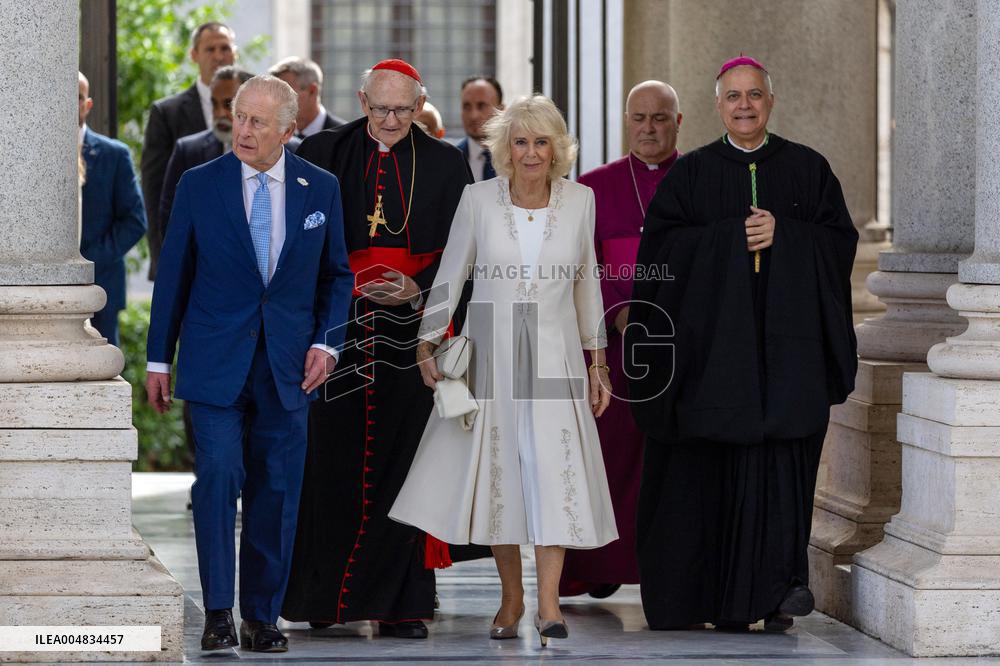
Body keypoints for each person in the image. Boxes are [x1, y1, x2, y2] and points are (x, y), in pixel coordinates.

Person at [626, 56, 858, 633]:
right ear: (717, 106)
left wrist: (788, 235)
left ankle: (778, 593)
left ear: (771, 101)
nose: (745, 105)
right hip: (712, 363)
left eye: (754, 95)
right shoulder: (691, 174)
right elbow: (660, 255)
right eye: (733, 96)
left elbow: (839, 244)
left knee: (781, 474)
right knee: (710, 480)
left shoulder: (808, 169)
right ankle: (711, 598)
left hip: (787, 359)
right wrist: (730, 240)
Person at [389, 94, 618, 647]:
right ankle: (512, 597)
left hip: (557, 358)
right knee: (501, 476)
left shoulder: (581, 201)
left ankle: (549, 603)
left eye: (541, 142)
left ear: (557, 149)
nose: (531, 153)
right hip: (490, 356)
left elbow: (587, 283)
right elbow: (451, 275)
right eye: (520, 142)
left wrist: (598, 361)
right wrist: (426, 340)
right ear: (504, 149)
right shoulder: (478, 199)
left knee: (552, 474)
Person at [145, 75, 353, 653]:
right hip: (214, 363)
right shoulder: (198, 184)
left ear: (289, 130)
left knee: (277, 491)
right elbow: (173, 275)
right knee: (216, 477)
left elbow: (337, 276)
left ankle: (262, 617)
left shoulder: (321, 188)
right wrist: (159, 358)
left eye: (258, 121)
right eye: (239, 116)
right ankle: (218, 613)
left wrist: (328, 344)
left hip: (289, 367)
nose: (244, 129)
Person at [282, 59, 473, 640]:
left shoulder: (445, 163)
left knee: (405, 462)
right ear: (362, 100)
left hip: (411, 332)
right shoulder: (322, 152)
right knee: (329, 461)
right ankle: (323, 597)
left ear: (421, 106)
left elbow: (466, 253)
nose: (391, 120)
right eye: (380, 108)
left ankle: (399, 604)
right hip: (337, 327)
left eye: (404, 110)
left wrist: (420, 289)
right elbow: (297, 241)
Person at [559, 80, 682, 600]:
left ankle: (666, 568)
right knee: (610, 458)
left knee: (673, 466)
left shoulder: (697, 180)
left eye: (660, 117)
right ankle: (600, 566)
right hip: (613, 349)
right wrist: (619, 313)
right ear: (626, 122)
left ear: (678, 122)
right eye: (639, 118)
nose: (649, 128)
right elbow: (579, 267)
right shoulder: (592, 188)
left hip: (682, 349)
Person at [141, 22, 236, 279]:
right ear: (194, 55)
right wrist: (164, 261)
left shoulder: (254, 108)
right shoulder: (167, 113)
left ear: (235, 53)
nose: (219, 56)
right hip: (191, 256)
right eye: (210, 49)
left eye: (225, 48)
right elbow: (155, 194)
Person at [78, 72, 147, 347]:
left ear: (88, 104)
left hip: (102, 285)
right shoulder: (35, 156)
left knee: (104, 365)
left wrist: (89, 261)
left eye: (78, 97)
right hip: (45, 288)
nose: (70, 104)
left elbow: (135, 220)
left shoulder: (115, 155)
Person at [158, 66, 254, 237]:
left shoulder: (287, 149)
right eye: (214, 104)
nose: (220, 113)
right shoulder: (188, 151)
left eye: (228, 104)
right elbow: (171, 219)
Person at [269, 56, 346, 138]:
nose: (277, 100)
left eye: (285, 92)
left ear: (312, 91)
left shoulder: (345, 136)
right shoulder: (273, 135)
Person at [457, 76, 504, 181]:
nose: (473, 115)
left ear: (501, 110)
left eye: (482, 106)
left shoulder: (517, 157)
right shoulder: (451, 159)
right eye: (467, 106)